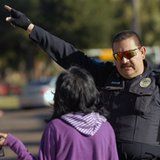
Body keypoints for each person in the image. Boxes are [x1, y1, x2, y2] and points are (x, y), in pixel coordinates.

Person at [3, 5, 160, 159]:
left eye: (129, 54)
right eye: (118, 56)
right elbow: (69, 54)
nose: (124, 60)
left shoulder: (157, 82)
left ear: (142, 52)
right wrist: (31, 27)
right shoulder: (106, 75)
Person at [0, 66, 118, 160]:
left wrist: (14, 143)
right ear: (91, 92)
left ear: (60, 96)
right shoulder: (106, 127)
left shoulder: (56, 128)